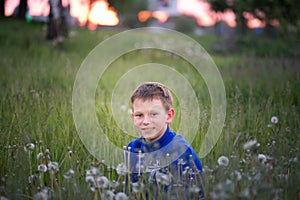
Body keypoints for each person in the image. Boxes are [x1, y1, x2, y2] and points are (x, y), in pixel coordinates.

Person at [126, 82, 203, 198]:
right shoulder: (132, 148)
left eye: (153, 114)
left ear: (169, 116)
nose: (146, 121)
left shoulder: (181, 151)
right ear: (133, 117)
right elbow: (129, 193)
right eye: (139, 115)